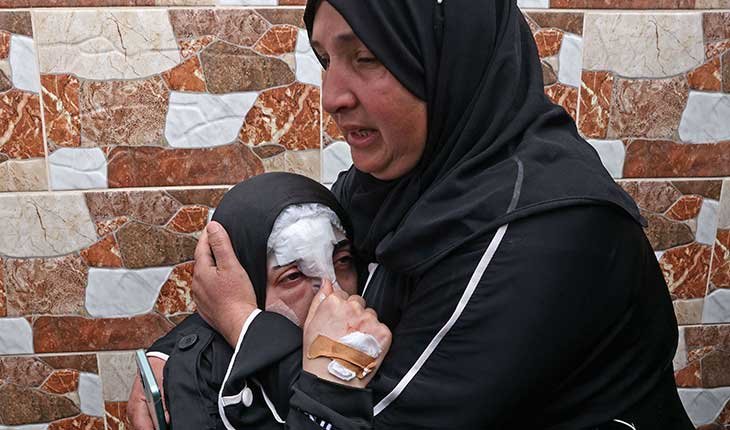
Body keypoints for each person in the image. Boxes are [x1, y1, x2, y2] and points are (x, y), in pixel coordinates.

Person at [132, 0, 695, 428]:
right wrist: (175, 357)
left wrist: (240, 324)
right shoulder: (413, 175)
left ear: (451, 59)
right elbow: (268, 252)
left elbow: (356, 414)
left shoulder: (538, 235)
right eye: (325, 60)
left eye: (366, 57)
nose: (331, 96)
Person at [129, 172, 390, 430]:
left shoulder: (377, 331)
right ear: (243, 287)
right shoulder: (204, 383)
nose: (332, 296)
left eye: (342, 261)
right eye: (293, 276)